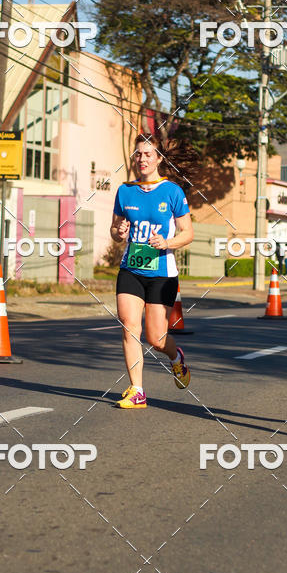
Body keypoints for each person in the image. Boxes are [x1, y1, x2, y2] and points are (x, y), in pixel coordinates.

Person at [110, 134, 194, 408]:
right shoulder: (125, 191)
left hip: (162, 272)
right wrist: (119, 231)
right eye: (138, 154)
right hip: (131, 268)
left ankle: (175, 357)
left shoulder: (172, 191)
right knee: (129, 328)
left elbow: (188, 233)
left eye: (148, 154)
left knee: (156, 338)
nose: (142, 159)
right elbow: (114, 231)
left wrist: (167, 242)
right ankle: (137, 390)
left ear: (159, 158)